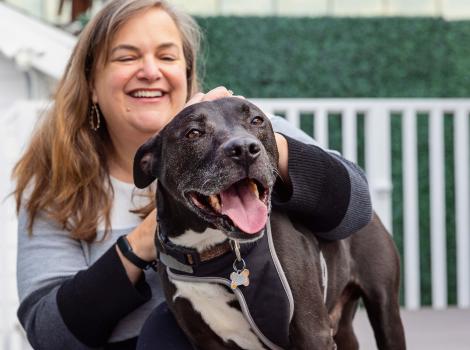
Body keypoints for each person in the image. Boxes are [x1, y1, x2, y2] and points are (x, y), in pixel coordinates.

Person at [13, 0, 372, 349]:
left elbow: (358, 209)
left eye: (167, 57)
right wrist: (146, 238)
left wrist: (268, 148)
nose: (151, 71)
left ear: (186, 76)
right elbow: (49, 334)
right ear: (91, 82)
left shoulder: (248, 136)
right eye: (127, 57)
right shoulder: (57, 186)